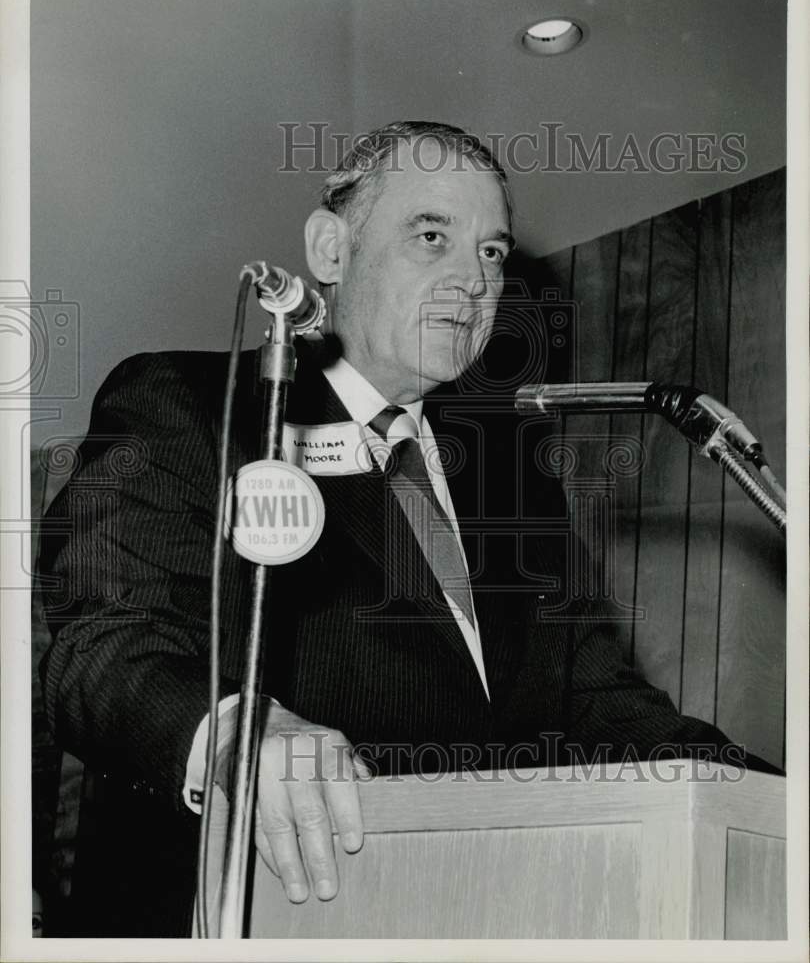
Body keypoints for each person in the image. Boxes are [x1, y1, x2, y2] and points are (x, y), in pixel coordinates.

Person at [39, 121, 763, 937]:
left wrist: (776, 795)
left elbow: (605, 707)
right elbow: (101, 646)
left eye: (492, 253)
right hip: (262, 910)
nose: (472, 281)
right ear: (331, 248)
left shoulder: (510, 481)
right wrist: (236, 728)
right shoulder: (197, 406)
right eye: (432, 236)